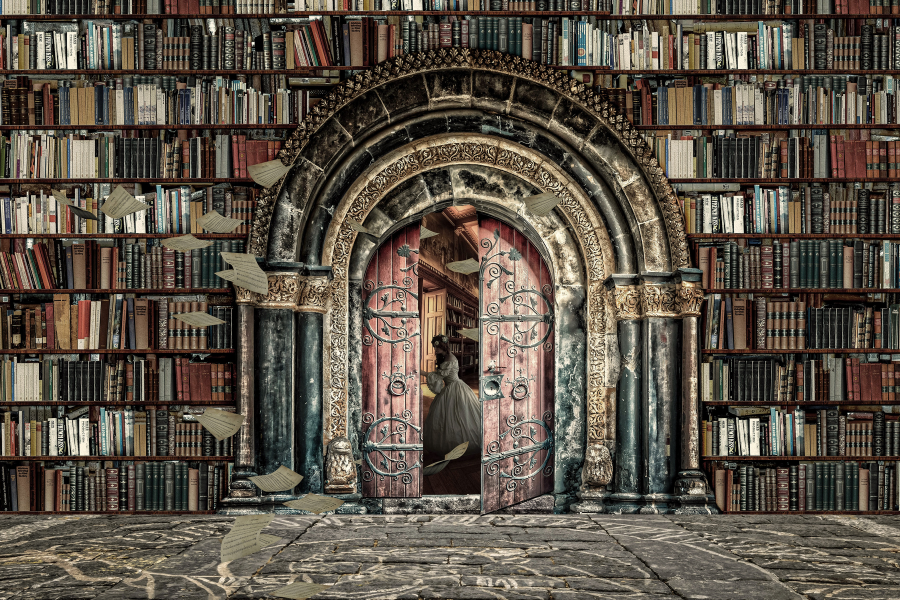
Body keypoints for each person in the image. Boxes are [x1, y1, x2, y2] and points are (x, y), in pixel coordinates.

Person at [423, 334, 482, 457]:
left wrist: (422, 372)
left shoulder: (449, 358)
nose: (435, 349)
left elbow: (439, 377)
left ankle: (459, 444)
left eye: (437, 347)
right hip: (452, 386)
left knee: (459, 415)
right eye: (434, 347)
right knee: (450, 416)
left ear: (444, 346)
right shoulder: (446, 357)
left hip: (454, 387)